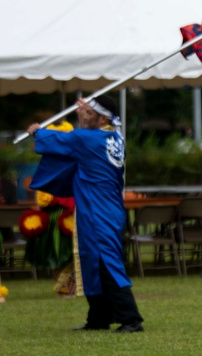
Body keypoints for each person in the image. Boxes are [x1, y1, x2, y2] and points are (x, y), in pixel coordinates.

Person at [27, 96, 144, 333]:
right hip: (102, 208)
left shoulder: (88, 139)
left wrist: (38, 131)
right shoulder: (114, 137)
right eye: (83, 111)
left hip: (98, 211)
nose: (82, 115)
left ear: (102, 118)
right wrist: (87, 109)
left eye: (88, 112)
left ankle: (131, 319)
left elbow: (57, 140)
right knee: (91, 261)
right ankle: (98, 318)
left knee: (106, 263)